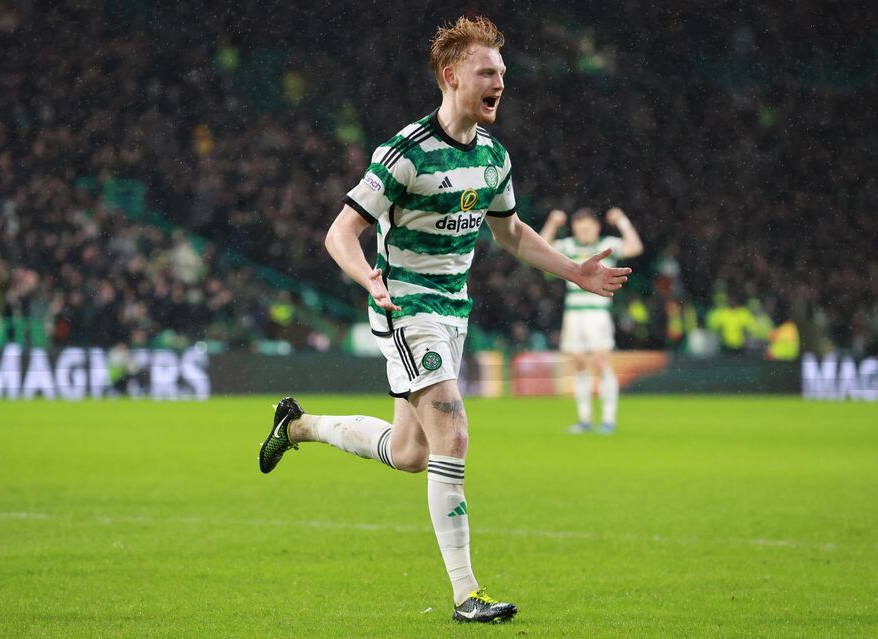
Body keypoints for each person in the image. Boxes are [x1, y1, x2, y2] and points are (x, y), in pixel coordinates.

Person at [256, 16, 631, 624]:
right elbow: (340, 232)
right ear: (451, 76)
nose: (500, 83)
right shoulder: (405, 154)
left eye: (504, 74)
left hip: (452, 314)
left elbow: (511, 234)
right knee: (453, 435)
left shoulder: (493, 158)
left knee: (411, 453)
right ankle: (466, 595)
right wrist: (368, 277)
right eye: (488, 72)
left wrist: (574, 272)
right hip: (405, 308)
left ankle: (298, 427)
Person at [540, 207, 643, 434]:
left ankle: (608, 420)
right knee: (578, 364)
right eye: (579, 225)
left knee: (601, 362)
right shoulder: (568, 247)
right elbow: (542, 249)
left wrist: (622, 220)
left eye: (588, 225)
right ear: (574, 228)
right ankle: (585, 419)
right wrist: (552, 222)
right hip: (573, 313)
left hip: (597, 313)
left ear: (597, 227)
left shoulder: (605, 246)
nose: (584, 230)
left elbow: (635, 247)